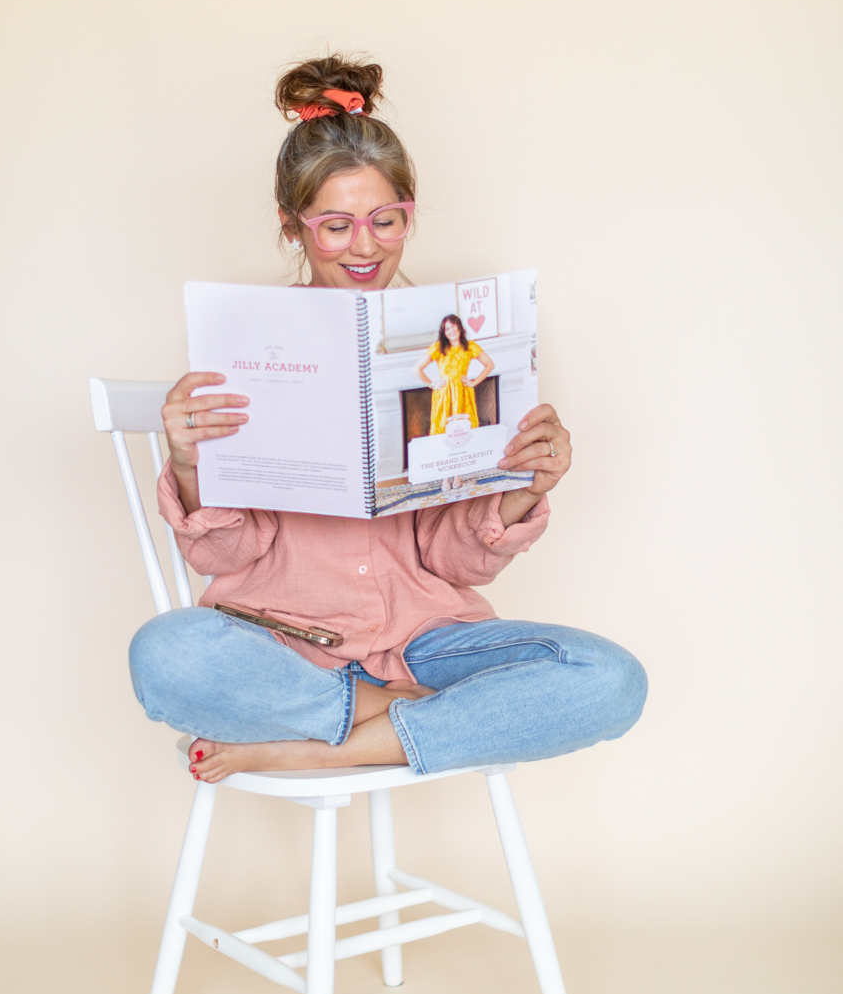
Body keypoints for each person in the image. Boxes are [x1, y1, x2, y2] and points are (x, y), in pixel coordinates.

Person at [129, 55, 647, 784]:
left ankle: (316, 746)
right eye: (334, 226)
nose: (365, 245)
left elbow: (453, 563)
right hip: (284, 647)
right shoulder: (247, 347)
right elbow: (222, 558)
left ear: (409, 211)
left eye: (384, 220)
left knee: (610, 679)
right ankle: (391, 715)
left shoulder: (454, 348)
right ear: (292, 226)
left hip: (428, 644)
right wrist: (188, 463)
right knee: (166, 653)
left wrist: (525, 486)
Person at [416, 314, 494, 489]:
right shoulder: (439, 348)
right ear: (444, 332)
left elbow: (489, 364)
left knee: (460, 433)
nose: (450, 331)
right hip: (444, 397)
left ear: (459, 327)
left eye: (453, 326)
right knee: (445, 433)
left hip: (463, 395)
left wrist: (474, 382)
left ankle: (457, 474)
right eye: (447, 328)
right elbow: (417, 369)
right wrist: (431, 383)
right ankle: (445, 477)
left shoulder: (470, 347)